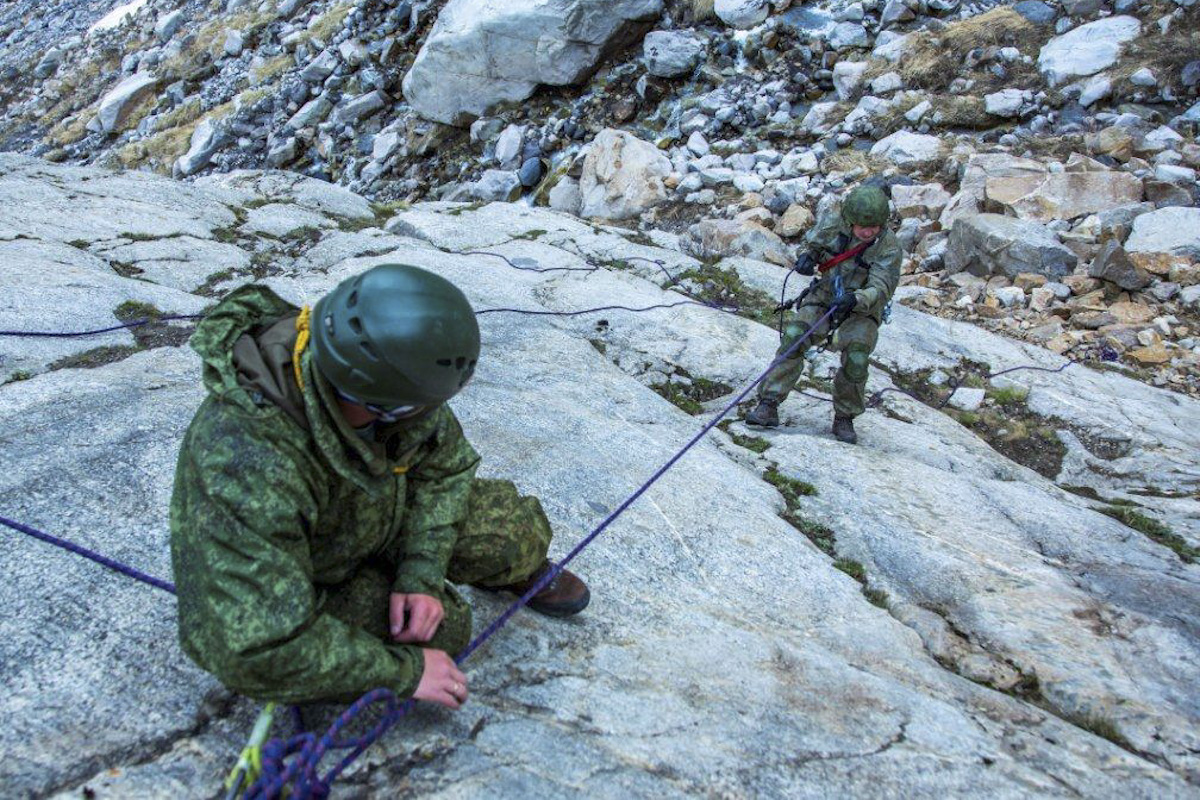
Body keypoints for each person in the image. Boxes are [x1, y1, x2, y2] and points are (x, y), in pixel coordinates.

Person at [170, 263, 589, 711]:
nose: (425, 416)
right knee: (445, 630)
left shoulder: (377, 378)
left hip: (375, 509)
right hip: (314, 563)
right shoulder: (245, 462)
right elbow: (252, 648)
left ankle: (443, 579)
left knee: (511, 533)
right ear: (370, 400)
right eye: (414, 408)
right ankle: (351, 632)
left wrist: (421, 576)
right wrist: (403, 673)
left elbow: (444, 468)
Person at [745, 185, 903, 444]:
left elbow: (882, 287)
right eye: (863, 226)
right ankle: (768, 403)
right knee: (794, 336)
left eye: (874, 226)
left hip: (860, 309)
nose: (868, 231)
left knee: (857, 356)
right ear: (849, 220)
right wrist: (806, 257)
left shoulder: (889, 248)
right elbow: (812, 244)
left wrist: (856, 299)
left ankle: (845, 417)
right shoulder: (832, 225)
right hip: (825, 295)